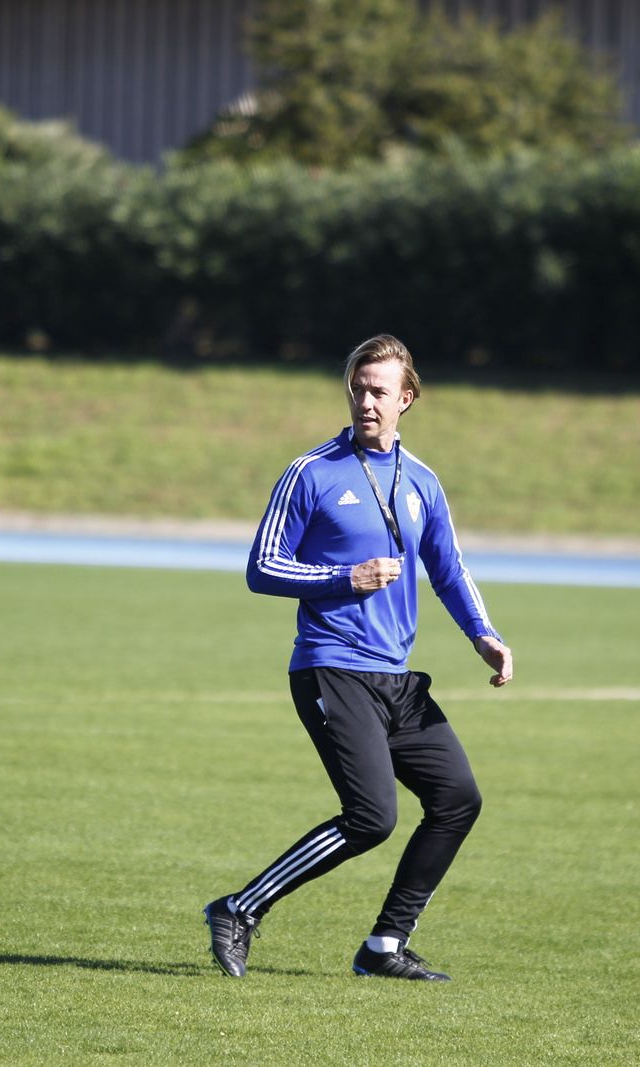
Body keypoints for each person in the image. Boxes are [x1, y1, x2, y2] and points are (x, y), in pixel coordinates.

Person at [204, 334, 513, 982]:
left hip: (395, 678)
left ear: (407, 398)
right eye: (358, 388)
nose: (366, 400)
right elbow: (262, 568)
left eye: (379, 390)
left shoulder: (423, 482)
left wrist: (482, 634)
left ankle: (384, 946)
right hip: (330, 664)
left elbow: (449, 570)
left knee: (458, 797)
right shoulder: (311, 472)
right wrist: (346, 578)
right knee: (373, 815)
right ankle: (239, 908)